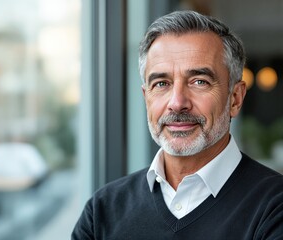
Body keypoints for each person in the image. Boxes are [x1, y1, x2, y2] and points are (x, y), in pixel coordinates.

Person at [72, 10, 283, 240]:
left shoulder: (274, 206)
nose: (177, 103)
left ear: (235, 98)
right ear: (146, 97)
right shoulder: (101, 211)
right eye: (161, 83)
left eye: (199, 81)